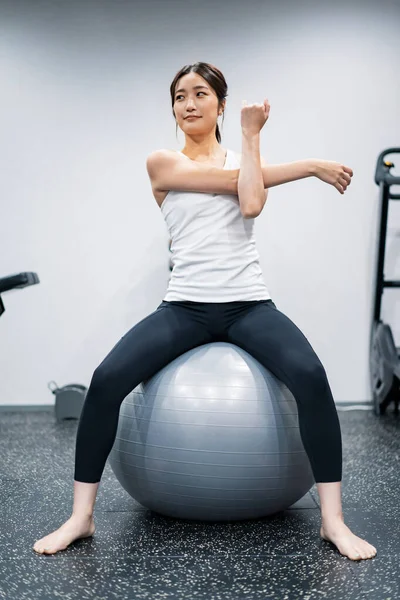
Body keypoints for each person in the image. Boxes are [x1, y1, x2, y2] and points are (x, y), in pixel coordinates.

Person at [33, 61, 377, 561]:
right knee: (107, 379)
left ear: (219, 100)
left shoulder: (245, 159)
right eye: (178, 97)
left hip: (248, 304)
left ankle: (332, 521)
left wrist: (254, 142)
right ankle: (80, 517)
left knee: (310, 375)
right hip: (185, 307)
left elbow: (250, 199)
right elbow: (237, 187)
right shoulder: (161, 163)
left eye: (198, 93)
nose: (188, 104)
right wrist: (305, 166)